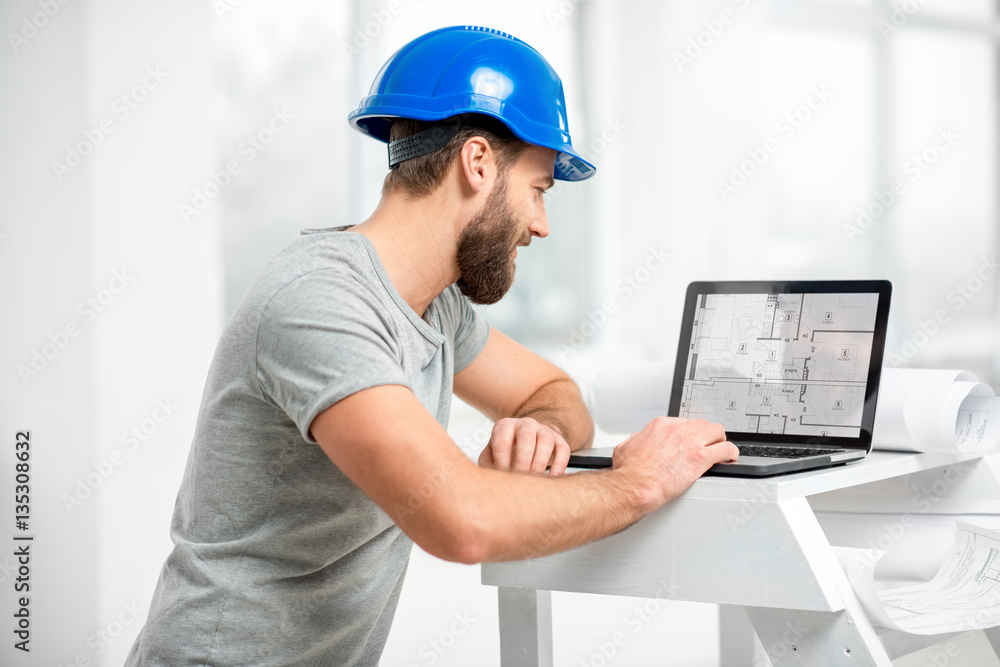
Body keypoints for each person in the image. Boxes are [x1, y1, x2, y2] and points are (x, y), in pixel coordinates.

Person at [125, 25, 738, 666]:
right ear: (477, 163)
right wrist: (638, 484)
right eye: (537, 189)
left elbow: (553, 393)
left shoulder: (436, 307)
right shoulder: (318, 299)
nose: (540, 224)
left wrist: (542, 428)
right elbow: (461, 521)